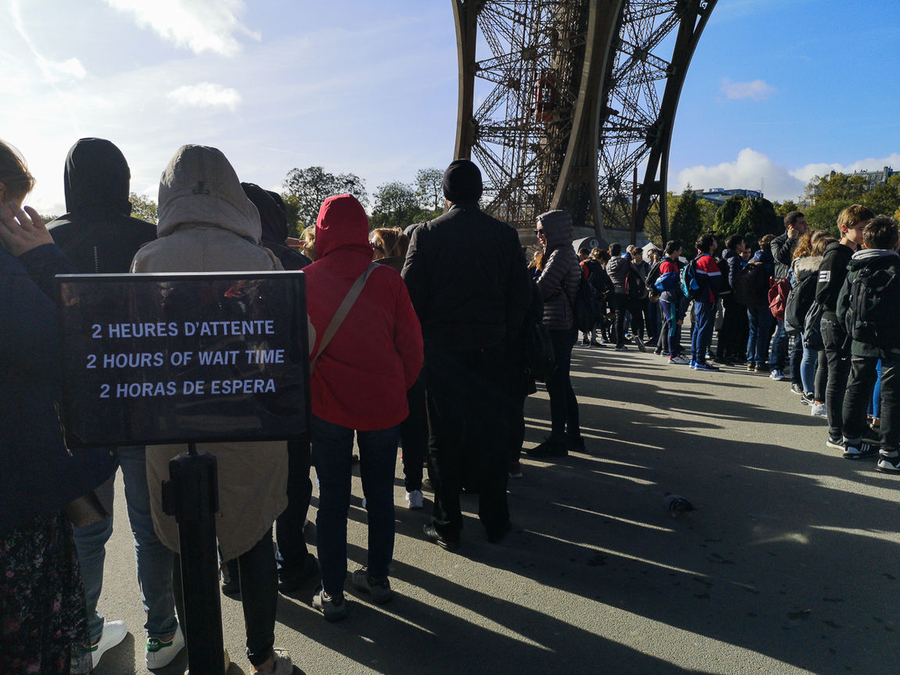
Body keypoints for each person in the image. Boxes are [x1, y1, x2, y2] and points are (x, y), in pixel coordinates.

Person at [131, 145, 293, 675]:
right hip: (248, 424)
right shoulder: (261, 260)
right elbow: (297, 341)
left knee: (184, 545)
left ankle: (209, 658)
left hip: (173, 426)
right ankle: (263, 658)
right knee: (255, 539)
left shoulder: (147, 260)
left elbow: (133, 345)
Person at [48, 138, 181, 670]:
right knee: (151, 529)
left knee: (86, 530)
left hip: (79, 416)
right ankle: (162, 635)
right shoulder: (149, 239)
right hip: (144, 408)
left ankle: (84, 637)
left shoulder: (48, 239)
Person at [1, 139, 116, 675]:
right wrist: (45, 258)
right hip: (19, 498)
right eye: (16, 205)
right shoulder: (10, 270)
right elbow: (85, 337)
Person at [303, 194, 422, 619]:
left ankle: (332, 593)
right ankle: (377, 578)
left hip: (327, 406)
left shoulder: (305, 279)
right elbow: (413, 348)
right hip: (383, 406)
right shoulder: (388, 279)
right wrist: (397, 388)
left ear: (322, 230)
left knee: (333, 499)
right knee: (380, 497)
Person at [402, 159, 530, 551]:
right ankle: (495, 520)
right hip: (491, 349)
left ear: (445, 193)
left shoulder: (427, 234)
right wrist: (503, 335)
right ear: (479, 192)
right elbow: (520, 295)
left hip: (443, 352)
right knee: (491, 434)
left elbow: (409, 295)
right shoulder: (504, 235)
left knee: (443, 437)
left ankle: (447, 523)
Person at [241, 183, 317, 595]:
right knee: (293, 481)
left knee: (242, 484)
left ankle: (236, 567)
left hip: (238, 392)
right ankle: (291, 560)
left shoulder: (229, 258)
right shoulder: (295, 262)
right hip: (289, 390)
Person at [369, 226, 428, 509]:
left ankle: (377, 491)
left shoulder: (372, 278)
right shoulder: (416, 275)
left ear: (384, 248)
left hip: (381, 366)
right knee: (414, 430)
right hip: (414, 365)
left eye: (372, 244)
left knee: (380, 435)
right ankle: (414, 488)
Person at [836, 215, 900, 465]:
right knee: (892, 395)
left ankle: (852, 442)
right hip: (894, 341)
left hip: (861, 340)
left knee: (856, 389)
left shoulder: (855, 268)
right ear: (895, 241)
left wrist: (854, 332)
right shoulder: (896, 268)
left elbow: (842, 307)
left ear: (866, 241)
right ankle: (889, 452)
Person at [817, 205, 874, 452]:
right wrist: (847, 304)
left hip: (848, 323)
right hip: (834, 322)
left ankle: (856, 427)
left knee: (850, 378)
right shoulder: (835, 255)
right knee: (838, 377)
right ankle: (835, 433)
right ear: (845, 228)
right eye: (861, 228)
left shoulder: (856, 253)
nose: (865, 233)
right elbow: (823, 294)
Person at [528, 210, 583, 458]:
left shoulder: (560, 255)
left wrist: (533, 286)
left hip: (558, 326)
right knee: (563, 384)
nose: (538, 235)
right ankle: (573, 436)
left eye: (542, 230)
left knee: (556, 385)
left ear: (555, 230)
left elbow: (541, 289)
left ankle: (558, 440)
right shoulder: (563, 252)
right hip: (563, 325)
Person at [770, 211, 809, 381]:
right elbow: (781, 258)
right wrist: (791, 239)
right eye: (802, 223)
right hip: (785, 290)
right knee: (783, 331)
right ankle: (775, 366)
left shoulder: (807, 241)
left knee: (800, 333)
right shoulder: (777, 241)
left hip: (801, 289)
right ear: (791, 226)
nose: (806, 226)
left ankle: (797, 371)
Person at [690, 232, 722, 371]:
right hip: (708, 298)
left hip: (699, 297)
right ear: (710, 245)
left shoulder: (698, 258)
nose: (716, 243)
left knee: (698, 328)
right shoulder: (708, 260)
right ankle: (700, 360)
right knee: (704, 330)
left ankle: (695, 358)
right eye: (714, 241)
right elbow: (717, 280)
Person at [716, 235, 748, 365]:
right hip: (732, 297)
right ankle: (723, 354)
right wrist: (738, 292)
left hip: (728, 295)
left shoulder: (728, 256)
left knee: (730, 325)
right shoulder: (734, 259)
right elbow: (733, 278)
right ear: (737, 245)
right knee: (730, 326)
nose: (744, 245)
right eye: (742, 243)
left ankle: (727, 352)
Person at [656, 240, 688, 365]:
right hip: (670, 298)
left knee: (673, 326)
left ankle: (675, 352)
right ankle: (673, 354)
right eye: (679, 251)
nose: (680, 253)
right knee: (672, 326)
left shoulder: (670, 263)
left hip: (670, 297)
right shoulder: (667, 264)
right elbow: (668, 282)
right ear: (674, 251)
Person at [580, 247, 614, 346]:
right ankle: (593, 339)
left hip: (582, 294)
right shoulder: (596, 266)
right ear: (602, 259)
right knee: (595, 317)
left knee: (585, 316)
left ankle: (585, 337)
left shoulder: (584, 263)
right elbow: (602, 281)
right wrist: (605, 292)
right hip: (594, 295)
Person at [606, 243, 631, 350]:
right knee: (625, 316)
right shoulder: (623, 262)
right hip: (623, 291)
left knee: (617, 317)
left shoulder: (608, 263)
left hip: (613, 291)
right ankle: (621, 342)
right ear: (620, 252)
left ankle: (617, 341)